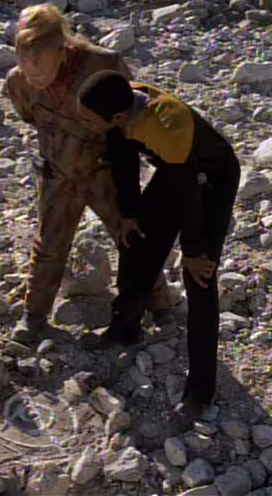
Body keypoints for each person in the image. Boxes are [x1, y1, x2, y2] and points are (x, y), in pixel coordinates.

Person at [4, 3, 173, 345]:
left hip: (105, 170)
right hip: (58, 172)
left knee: (132, 238)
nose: (35, 80)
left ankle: (161, 306)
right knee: (49, 245)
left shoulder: (103, 66)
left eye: (42, 72)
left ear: (63, 51)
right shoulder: (18, 82)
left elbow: (132, 116)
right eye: (28, 72)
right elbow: (30, 116)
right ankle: (34, 315)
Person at [76, 70, 241, 418]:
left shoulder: (169, 125)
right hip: (175, 169)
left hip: (210, 179)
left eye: (89, 120)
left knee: (199, 277)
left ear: (117, 116)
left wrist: (193, 251)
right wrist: (129, 214)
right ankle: (124, 328)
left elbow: (189, 194)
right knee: (135, 241)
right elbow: (123, 157)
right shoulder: (122, 103)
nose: (84, 124)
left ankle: (200, 392)